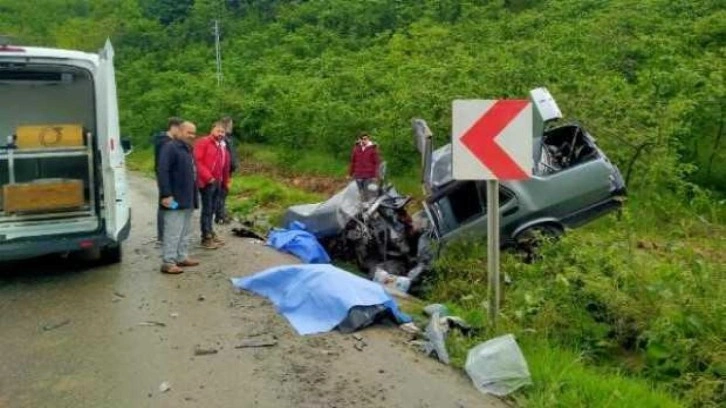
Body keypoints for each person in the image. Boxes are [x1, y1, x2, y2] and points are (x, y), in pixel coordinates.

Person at [156, 121, 199, 274]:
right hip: (174, 199)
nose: (192, 136)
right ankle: (168, 262)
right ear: (180, 132)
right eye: (189, 132)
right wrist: (166, 194)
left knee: (185, 230)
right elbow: (163, 170)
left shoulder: (188, 149)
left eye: (194, 133)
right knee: (173, 231)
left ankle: (181, 256)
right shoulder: (170, 148)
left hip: (188, 198)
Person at [194, 122, 231, 249]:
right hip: (207, 182)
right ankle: (206, 236)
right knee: (207, 209)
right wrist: (208, 177)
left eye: (223, 132)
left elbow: (225, 166)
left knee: (214, 209)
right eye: (218, 131)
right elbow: (197, 161)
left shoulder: (222, 146)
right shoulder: (203, 142)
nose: (220, 134)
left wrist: (226, 182)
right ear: (212, 130)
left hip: (218, 181)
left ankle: (210, 231)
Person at [154, 117, 183, 244]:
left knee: (172, 204)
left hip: (173, 178)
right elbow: (163, 165)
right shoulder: (164, 142)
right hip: (166, 178)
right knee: (165, 204)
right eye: (180, 129)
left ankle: (169, 232)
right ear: (173, 127)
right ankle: (163, 235)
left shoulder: (171, 141)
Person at [215, 116, 239, 225]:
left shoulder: (229, 138)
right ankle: (220, 215)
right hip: (223, 171)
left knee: (224, 192)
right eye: (230, 124)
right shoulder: (223, 139)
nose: (232, 127)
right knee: (221, 192)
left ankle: (221, 213)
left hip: (228, 170)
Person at [348, 131, 381, 200]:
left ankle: (368, 207)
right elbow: (353, 162)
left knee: (367, 193)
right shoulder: (356, 149)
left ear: (368, 139)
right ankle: (361, 208)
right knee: (360, 194)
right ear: (360, 140)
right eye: (363, 139)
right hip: (358, 175)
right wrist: (350, 174)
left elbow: (377, 163)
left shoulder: (373, 149)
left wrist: (376, 175)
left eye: (366, 138)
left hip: (369, 175)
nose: (365, 140)